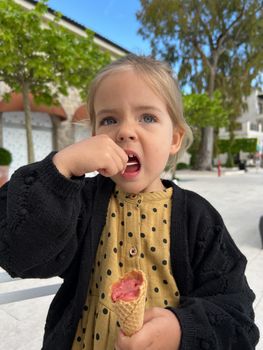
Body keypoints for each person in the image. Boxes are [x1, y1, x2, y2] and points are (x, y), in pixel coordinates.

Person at [0, 54, 259, 350]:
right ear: (94, 136)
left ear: (174, 139)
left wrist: (181, 329)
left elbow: (238, 317)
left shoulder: (198, 219)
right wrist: (61, 169)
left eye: (147, 117)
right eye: (109, 119)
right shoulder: (80, 203)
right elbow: (18, 254)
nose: (124, 131)